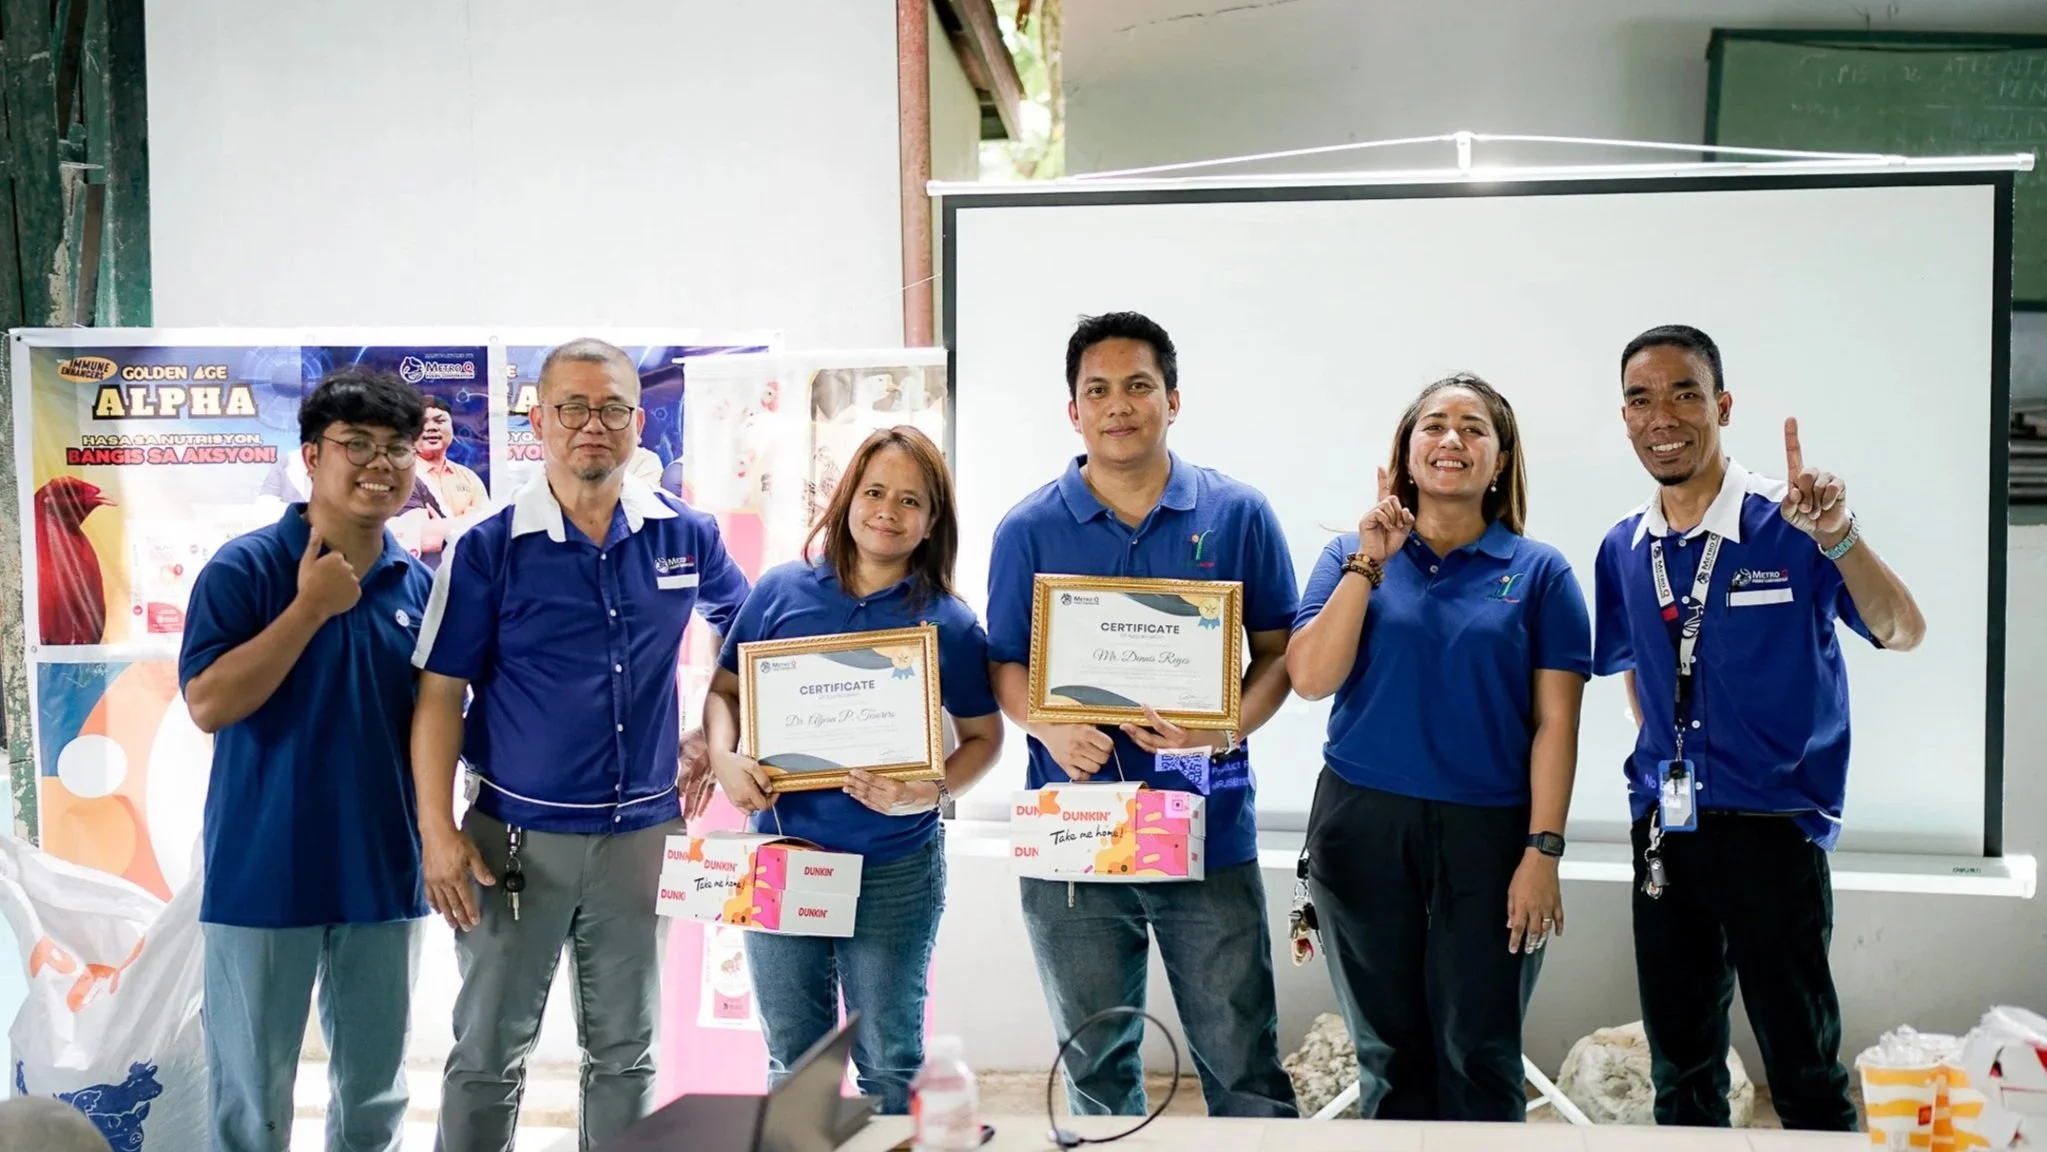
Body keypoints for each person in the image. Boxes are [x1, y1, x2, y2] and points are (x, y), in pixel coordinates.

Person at [410, 337, 751, 1151]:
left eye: (610, 408)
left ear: (637, 422)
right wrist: (437, 834)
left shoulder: (682, 535)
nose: (590, 424)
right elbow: (438, 694)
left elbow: (747, 634)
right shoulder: (489, 547)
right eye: (571, 406)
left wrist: (713, 726)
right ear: (539, 421)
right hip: (514, 841)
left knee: (627, 1054)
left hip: (643, 837)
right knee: (488, 1053)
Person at [1593, 324, 1926, 1131]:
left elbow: (1901, 629)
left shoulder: (1794, 523)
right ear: (1625, 416)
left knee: (1802, 1072)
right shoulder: (1622, 548)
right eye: (1641, 399)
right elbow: (1639, 671)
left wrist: (1838, 536)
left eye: (1684, 393)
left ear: (1722, 405)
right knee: (1681, 1071)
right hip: (1666, 835)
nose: (1661, 416)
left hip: (1774, 832)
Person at [985, 311, 1301, 1119]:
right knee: (1094, 1063)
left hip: (1205, 822)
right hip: (1072, 832)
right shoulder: (1027, 527)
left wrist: (1223, 728)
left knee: (1240, 1063)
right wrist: (1048, 725)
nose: (1118, 405)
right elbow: (1003, 665)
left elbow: (1278, 655)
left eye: (1138, 386)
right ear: (1073, 411)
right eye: (1098, 390)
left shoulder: (1237, 514)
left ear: (1173, 399)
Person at [1285, 373, 1590, 1122]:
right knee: (1387, 1052)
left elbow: (1557, 725)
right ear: (1405, 450)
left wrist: (1541, 851)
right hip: (1361, 821)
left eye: (1472, 428)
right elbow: (1311, 678)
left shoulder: (1540, 572)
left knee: (1479, 1049)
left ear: (1499, 458)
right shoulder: (1348, 558)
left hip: (1489, 832)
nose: (1450, 439)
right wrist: (1368, 560)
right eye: (1433, 425)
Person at [703, 425, 1004, 1113]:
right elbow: (724, 693)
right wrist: (723, 756)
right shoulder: (781, 590)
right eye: (873, 492)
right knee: (795, 1060)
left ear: (931, 524)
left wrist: (927, 791)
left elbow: (984, 737)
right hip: (784, 851)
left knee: (890, 1065)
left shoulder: (948, 624)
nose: (886, 513)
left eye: (909, 501)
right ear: (845, 499)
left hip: (894, 866)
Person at [177, 368, 431, 1152]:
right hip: (263, 870)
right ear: (311, 455)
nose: (379, 464)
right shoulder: (245, 568)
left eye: (397, 448)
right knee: (251, 1100)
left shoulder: (419, 585)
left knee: (375, 1099)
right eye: (357, 445)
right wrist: (310, 606)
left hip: (383, 871)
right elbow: (210, 705)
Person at [390, 394, 491, 567]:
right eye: (422, 423)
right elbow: (421, 539)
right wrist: (467, 520)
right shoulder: (399, 474)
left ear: (452, 426)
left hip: (464, 575)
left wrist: (444, 526)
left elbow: (488, 532)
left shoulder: (468, 477)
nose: (431, 428)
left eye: (439, 421)